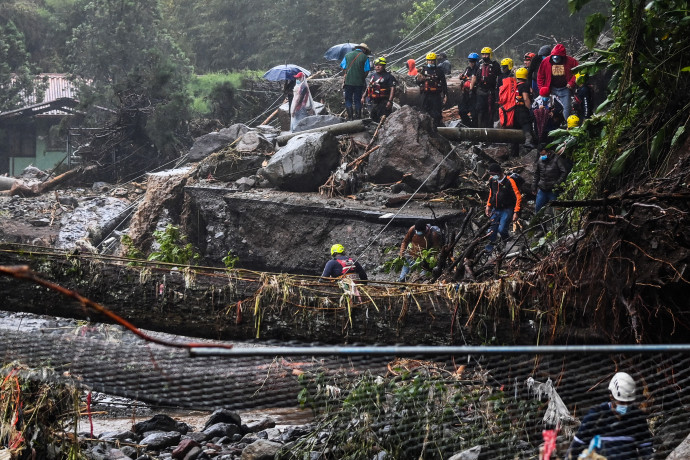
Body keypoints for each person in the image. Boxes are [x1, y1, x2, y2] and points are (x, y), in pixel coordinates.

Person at [565, 372, 653, 460]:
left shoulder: (637, 418)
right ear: (611, 397)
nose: (625, 406)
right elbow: (575, 449)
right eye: (622, 402)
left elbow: (646, 450)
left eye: (629, 403)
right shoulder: (596, 415)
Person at [485, 163, 522, 252]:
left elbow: (518, 197)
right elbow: (491, 193)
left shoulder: (509, 181)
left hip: (507, 208)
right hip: (496, 208)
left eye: (493, 175)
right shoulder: (492, 181)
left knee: (501, 230)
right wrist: (488, 206)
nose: (492, 176)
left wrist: (516, 212)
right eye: (491, 175)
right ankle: (489, 251)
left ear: (499, 173)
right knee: (491, 230)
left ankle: (507, 242)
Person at [537, 43, 579, 121]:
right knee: (546, 107)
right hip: (550, 88)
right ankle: (548, 125)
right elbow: (540, 76)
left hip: (565, 88)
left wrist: (572, 82)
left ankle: (569, 124)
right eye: (554, 58)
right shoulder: (546, 61)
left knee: (567, 108)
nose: (555, 60)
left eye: (558, 58)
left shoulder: (571, 61)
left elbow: (578, 72)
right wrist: (542, 89)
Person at [532, 143, 570, 213]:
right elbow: (537, 174)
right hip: (542, 189)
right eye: (541, 154)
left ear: (548, 152)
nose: (542, 156)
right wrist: (534, 186)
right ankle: (540, 223)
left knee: (556, 211)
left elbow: (564, 171)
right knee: (538, 209)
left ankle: (556, 223)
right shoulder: (540, 160)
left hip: (553, 190)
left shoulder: (557, 159)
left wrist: (558, 183)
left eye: (543, 154)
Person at [341, 42, 371, 120]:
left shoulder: (347, 55)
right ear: (363, 49)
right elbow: (367, 70)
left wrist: (347, 74)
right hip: (359, 83)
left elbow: (343, 67)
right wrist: (362, 77)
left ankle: (350, 118)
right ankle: (358, 117)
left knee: (348, 99)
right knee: (357, 99)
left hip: (348, 82)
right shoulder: (365, 58)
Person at [416, 52, 448, 128]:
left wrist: (445, 95)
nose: (431, 62)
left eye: (433, 60)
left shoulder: (439, 71)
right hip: (426, 94)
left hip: (435, 95)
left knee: (437, 112)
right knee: (425, 110)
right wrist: (420, 80)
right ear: (427, 61)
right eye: (429, 60)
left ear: (435, 61)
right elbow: (417, 82)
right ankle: (426, 127)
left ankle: (437, 126)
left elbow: (444, 84)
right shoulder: (422, 70)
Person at [362, 57, 397, 123]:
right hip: (374, 101)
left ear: (383, 66)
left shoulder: (389, 77)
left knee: (383, 119)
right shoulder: (373, 75)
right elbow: (369, 86)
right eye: (376, 65)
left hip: (384, 102)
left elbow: (393, 89)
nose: (377, 67)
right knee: (373, 117)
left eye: (380, 65)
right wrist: (363, 96)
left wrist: (390, 101)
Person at [473, 46, 500, 128]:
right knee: (480, 110)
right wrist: (472, 89)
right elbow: (475, 77)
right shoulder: (479, 65)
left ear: (490, 55)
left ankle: (489, 128)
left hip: (490, 91)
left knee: (490, 111)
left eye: (486, 55)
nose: (485, 56)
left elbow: (499, 78)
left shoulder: (495, 65)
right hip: (480, 91)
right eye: (483, 55)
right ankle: (480, 128)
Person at [458, 52, 480, 127]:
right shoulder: (468, 69)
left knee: (474, 113)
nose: (471, 63)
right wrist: (463, 77)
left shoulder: (478, 69)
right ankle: (467, 124)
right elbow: (464, 77)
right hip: (466, 93)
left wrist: (469, 79)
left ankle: (474, 128)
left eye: (473, 61)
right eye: (470, 61)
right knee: (461, 111)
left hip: (474, 93)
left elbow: (475, 79)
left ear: (476, 61)